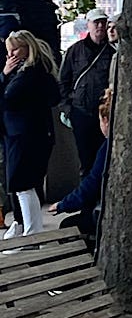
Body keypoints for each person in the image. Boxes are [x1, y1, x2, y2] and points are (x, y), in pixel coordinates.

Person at [2, 30, 59, 242]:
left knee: (22, 183)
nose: (11, 55)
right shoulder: (40, 71)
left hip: (24, 133)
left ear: (28, 48)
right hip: (27, 132)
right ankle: (26, 227)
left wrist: (4, 75)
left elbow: (8, 99)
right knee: (24, 184)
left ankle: (31, 232)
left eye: (15, 49)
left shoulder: (29, 74)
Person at [49, 87, 112, 243]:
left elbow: (91, 185)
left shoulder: (107, 148)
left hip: (103, 212)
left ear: (105, 121)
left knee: (68, 227)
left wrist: (63, 205)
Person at [59, 8, 115, 176]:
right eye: (96, 22)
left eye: (103, 23)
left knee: (103, 157)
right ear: (88, 25)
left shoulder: (112, 51)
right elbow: (63, 81)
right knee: (85, 157)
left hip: (104, 112)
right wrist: (67, 109)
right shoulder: (74, 51)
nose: (100, 26)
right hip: (80, 111)